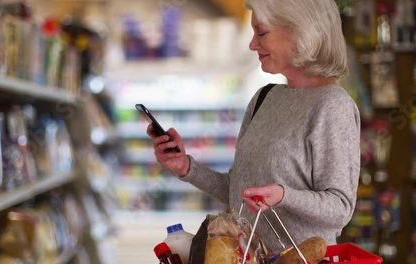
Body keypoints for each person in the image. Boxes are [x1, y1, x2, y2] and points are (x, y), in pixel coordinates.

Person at [146, 0, 360, 255]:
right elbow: (240, 193)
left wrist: (283, 195)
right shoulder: (264, 98)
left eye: (261, 33)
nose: (252, 44)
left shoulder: (332, 106)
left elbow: (340, 208)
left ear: (302, 33)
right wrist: (186, 168)